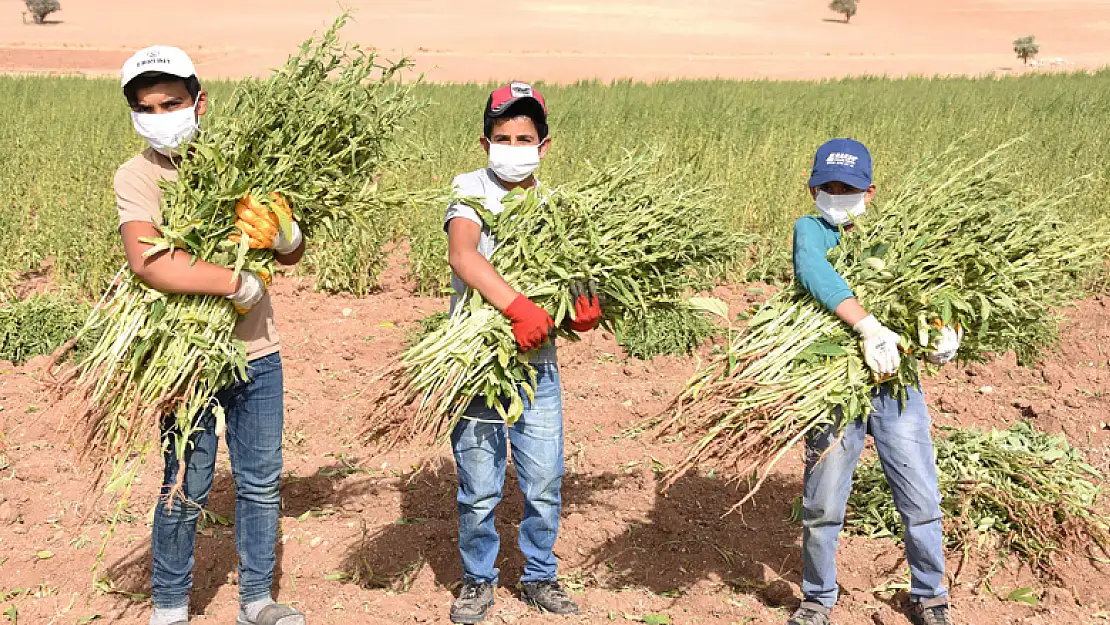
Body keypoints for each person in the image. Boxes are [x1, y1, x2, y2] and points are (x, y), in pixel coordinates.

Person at [115, 46, 307, 625]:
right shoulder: (138, 174)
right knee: (185, 483)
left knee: (259, 480)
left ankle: (257, 600)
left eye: (170, 102)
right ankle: (170, 606)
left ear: (199, 102)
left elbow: (294, 253)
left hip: (257, 352)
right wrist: (235, 282)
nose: (159, 114)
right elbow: (151, 262)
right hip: (185, 360)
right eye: (146, 106)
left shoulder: (241, 166)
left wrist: (285, 233)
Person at [442, 82, 602, 624]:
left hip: (537, 368)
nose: (514, 146)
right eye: (503, 137)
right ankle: (478, 580)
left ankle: (539, 576)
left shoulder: (558, 206)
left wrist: (581, 304)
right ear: (485, 144)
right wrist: (516, 306)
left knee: (543, 479)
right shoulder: (470, 190)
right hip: (477, 365)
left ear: (544, 144)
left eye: (525, 137)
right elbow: (464, 256)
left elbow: (574, 278)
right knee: (480, 485)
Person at [788, 139, 960, 625]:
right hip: (835, 387)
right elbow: (813, 270)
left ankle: (930, 596)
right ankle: (817, 599)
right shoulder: (812, 229)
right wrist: (866, 325)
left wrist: (945, 331)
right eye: (830, 186)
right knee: (822, 503)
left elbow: (930, 293)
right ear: (814, 188)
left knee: (921, 497)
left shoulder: (899, 240)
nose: (839, 194)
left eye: (849, 188)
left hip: (894, 387)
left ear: (871, 191)